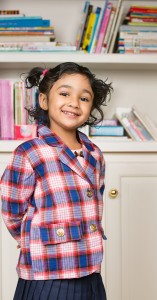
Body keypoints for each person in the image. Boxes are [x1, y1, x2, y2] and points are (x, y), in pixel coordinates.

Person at [1, 62, 113, 300]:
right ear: (44, 101)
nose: (74, 102)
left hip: (90, 268)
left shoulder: (94, 154)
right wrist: (32, 238)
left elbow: (96, 200)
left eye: (84, 98)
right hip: (47, 274)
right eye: (64, 94)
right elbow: (11, 210)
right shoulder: (30, 152)